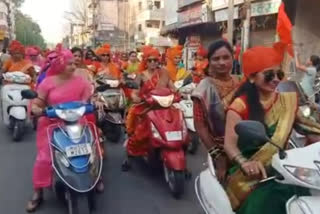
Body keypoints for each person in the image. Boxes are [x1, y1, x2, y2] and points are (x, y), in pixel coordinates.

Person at [223, 43, 320, 214]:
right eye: (269, 74)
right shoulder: (239, 105)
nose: (276, 79)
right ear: (252, 78)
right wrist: (245, 163)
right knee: (263, 203)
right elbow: (229, 145)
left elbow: (309, 128)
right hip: (251, 171)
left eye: (279, 74)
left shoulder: (287, 102)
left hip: (284, 167)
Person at [26, 48, 98, 212]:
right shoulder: (48, 82)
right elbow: (38, 101)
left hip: (77, 122)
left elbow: (89, 97)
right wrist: (36, 108)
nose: (73, 67)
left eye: (74, 63)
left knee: (91, 152)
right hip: (52, 124)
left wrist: (96, 101)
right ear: (59, 65)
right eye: (69, 64)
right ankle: (38, 192)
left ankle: (95, 179)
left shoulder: (81, 81)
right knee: (44, 158)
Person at [192, 40, 240, 182]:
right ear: (209, 62)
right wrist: (218, 158)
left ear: (233, 58)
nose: (221, 62)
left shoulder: (241, 81)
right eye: (216, 59)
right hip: (221, 150)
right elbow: (200, 127)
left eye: (226, 57)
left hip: (246, 146)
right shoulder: (203, 89)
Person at [122, 46, 175, 171]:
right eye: (150, 60)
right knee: (139, 133)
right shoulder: (141, 76)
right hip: (147, 107)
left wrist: (178, 93)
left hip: (164, 105)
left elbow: (172, 87)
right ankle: (129, 156)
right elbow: (135, 92)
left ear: (158, 61)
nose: (153, 63)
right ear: (145, 61)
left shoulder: (164, 73)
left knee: (177, 126)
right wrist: (136, 97)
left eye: (155, 60)